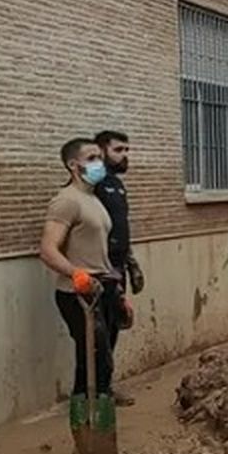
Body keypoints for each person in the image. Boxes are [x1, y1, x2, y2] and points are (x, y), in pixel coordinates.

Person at [39, 138, 120, 413]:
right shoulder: (66, 202)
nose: (99, 163)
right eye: (91, 158)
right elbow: (48, 250)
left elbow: (99, 251)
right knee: (94, 365)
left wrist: (117, 294)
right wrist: (77, 275)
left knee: (101, 367)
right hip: (78, 294)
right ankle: (84, 431)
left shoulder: (93, 199)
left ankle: (100, 437)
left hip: (103, 288)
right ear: (73, 165)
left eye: (99, 156)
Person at [92, 130, 140, 406]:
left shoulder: (117, 185)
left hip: (118, 267)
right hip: (102, 270)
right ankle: (96, 391)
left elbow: (121, 229)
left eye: (126, 150)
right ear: (102, 151)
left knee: (113, 328)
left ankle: (106, 386)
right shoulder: (94, 185)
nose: (124, 155)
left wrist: (131, 264)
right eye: (118, 150)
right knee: (99, 332)